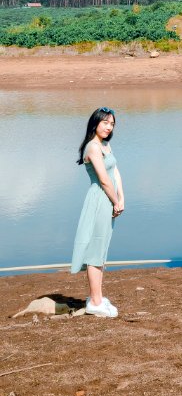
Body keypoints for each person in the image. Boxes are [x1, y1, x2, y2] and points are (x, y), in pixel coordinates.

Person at [70, 107, 124, 318]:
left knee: (101, 250)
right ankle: (94, 302)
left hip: (109, 199)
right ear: (95, 123)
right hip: (99, 198)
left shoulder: (105, 144)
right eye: (105, 123)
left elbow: (115, 172)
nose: (109, 127)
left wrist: (122, 198)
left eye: (112, 124)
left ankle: (98, 297)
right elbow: (103, 179)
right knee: (95, 251)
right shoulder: (93, 147)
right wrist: (115, 201)